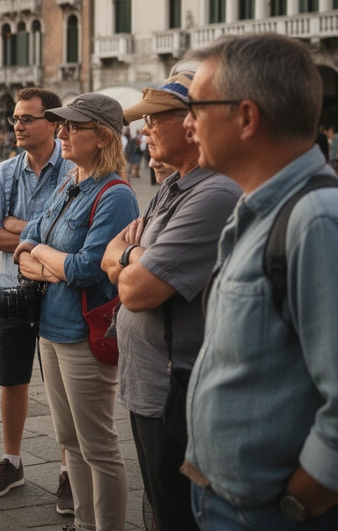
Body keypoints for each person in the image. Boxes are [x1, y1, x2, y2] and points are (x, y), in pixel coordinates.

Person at [181, 34, 338, 530]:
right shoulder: (263, 209)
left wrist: (292, 508)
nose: (186, 122)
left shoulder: (321, 222)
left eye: (196, 106)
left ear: (246, 117)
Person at [101, 72, 241, 531]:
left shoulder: (215, 192)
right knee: (160, 507)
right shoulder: (170, 186)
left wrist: (131, 260)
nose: (144, 130)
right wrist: (132, 257)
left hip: (177, 388)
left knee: (178, 513)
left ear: (190, 124)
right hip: (152, 382)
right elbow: (112, 255)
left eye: (155, 119)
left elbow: (138, 290)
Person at [16, 93, 139, 531]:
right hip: (50, 327)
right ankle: (84, 524)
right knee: (69, 440)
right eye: (61, 125)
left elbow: (86, 268)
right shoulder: (71, 181)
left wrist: (44, 257)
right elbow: (23, 242)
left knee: (98, 445)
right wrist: (50, 262)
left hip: (84, 335)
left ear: (103, 136)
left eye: (72, 126)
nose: (62, 133)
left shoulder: (115, 194)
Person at [0, 87, 74, 506]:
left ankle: (70, 471)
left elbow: (73, 236)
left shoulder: (73, 169)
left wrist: (18, 226)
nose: (17, 125)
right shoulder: (2, 172)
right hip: (14, 289)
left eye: (26, 119)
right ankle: (12, 461)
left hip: (59, 290)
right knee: (12, 378)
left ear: (52, 122)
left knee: (65, 384)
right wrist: (41, 231)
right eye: (15, 118)